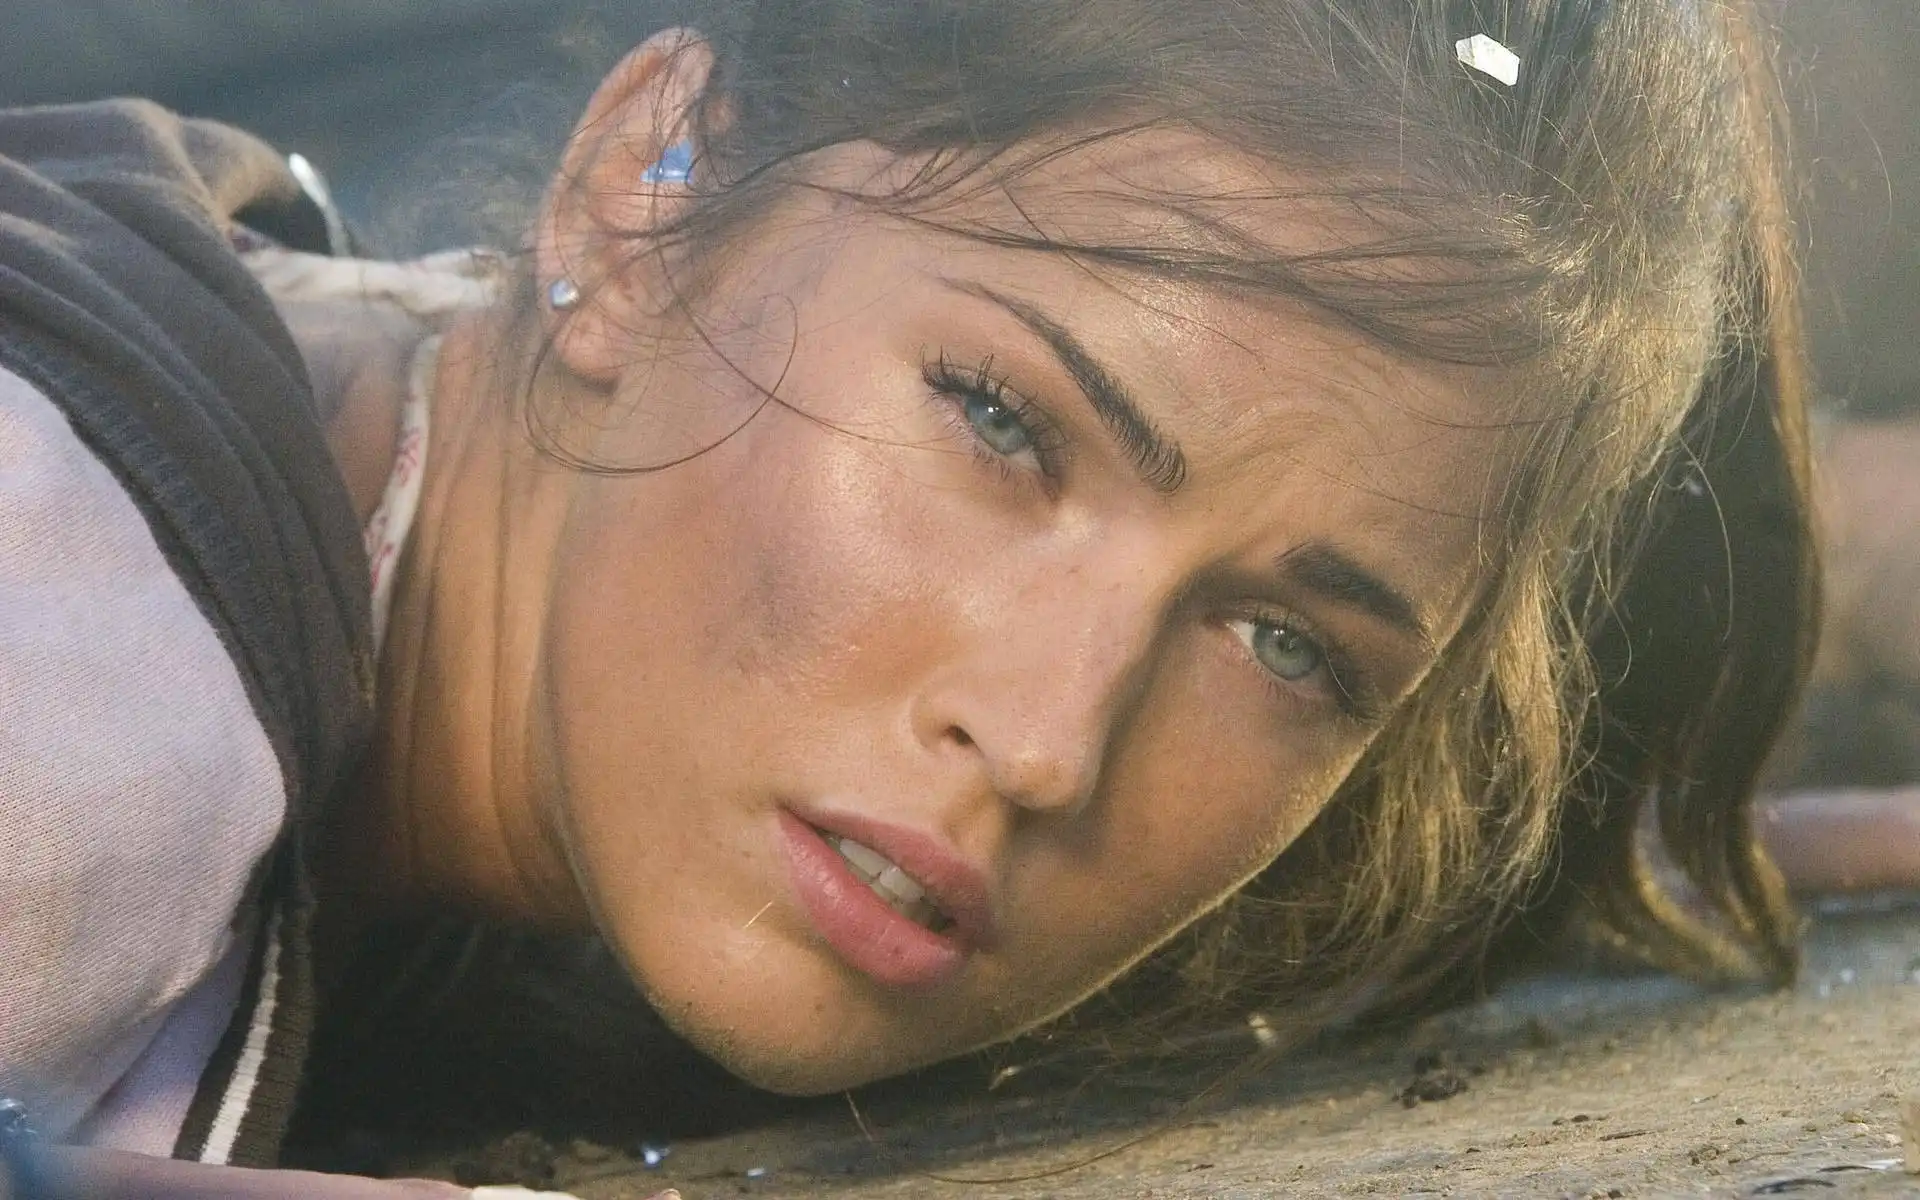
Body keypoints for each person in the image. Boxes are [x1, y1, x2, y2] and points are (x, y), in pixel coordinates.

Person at [0, 0, 1870, 1194]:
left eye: (1286, 645)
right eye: (1002, 420)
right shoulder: (87, 700)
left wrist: (1507, 895)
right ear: (643, 196)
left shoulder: (318, 395)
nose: (1050, 745)